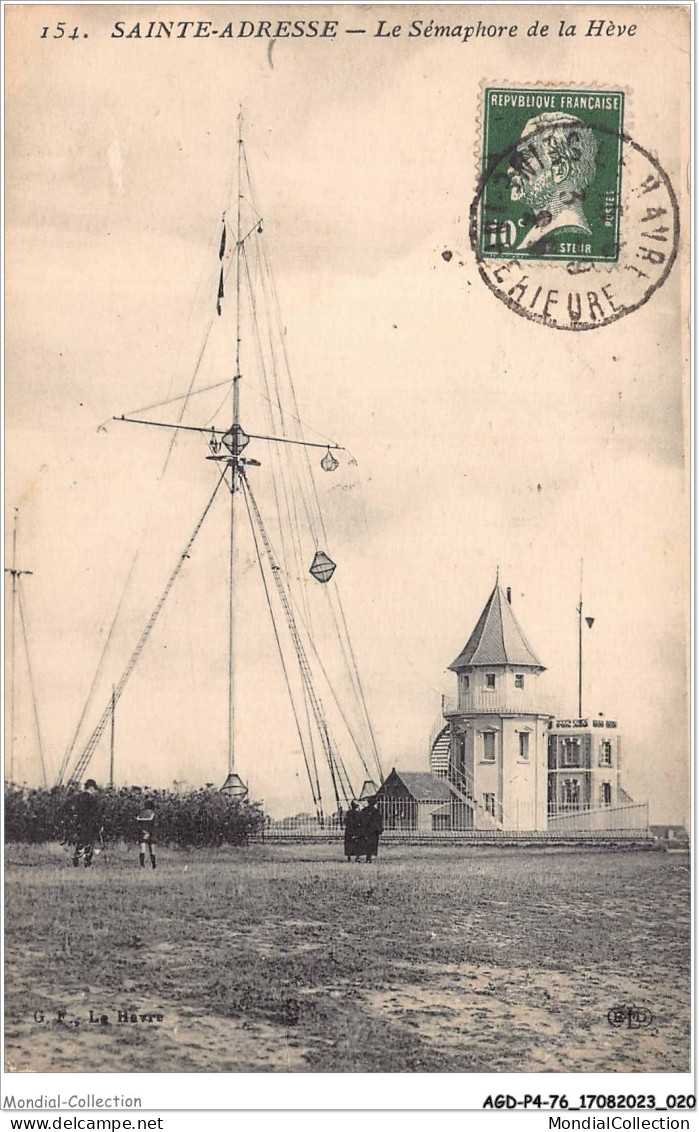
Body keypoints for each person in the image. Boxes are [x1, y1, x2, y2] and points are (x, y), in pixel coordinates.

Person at [506, 113, 599, 253]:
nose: (510, 170)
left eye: (525, 158)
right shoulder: (538, 234)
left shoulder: (565, 234)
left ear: (560, 170)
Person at [73, 779, 103, 868]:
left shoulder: (78, 797)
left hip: (79, 823)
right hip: (90, 823)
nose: (94, 791)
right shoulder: (93, 799)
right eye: (94, 788)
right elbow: (97, 813)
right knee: (90, 842)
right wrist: (99, 825)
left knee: (81, 841)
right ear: (91, 787)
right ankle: (87, 861)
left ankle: (76, 856)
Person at [362, 796, 384, 863]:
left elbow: (361, 820)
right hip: (373, 830)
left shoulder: (364, 810)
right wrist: (380, 829)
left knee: (367, 843)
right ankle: (369, 857)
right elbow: (379, 821)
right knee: (372, 844)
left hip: (366, 830)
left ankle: (368, 857)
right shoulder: (376, 812)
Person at [136, 799, 156, 869]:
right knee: (152, 849)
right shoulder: (153, 813)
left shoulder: (141, 814)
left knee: (143, 849)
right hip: (151, 833)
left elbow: (138, 823)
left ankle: (142, 865)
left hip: (142, 832)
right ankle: (154, 865)